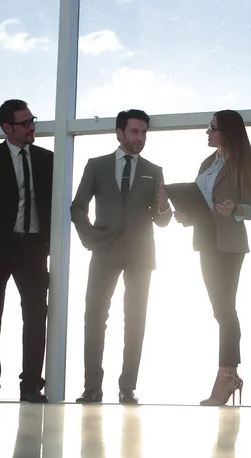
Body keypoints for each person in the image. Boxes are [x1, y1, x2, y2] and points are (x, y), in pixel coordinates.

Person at [71, 109, 171, 405]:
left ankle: (128, 387)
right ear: (120, 133)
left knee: (135, 321)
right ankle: (92, 388)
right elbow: (78, 207)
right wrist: (90, 239)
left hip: (140, 255)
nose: (140, 138)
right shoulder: (97, 166)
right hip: (104, 250)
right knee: (94, 318)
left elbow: (162, 220)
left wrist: (165, 207)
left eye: (144, 133)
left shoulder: (154, 170)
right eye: (135, 132)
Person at [174, 109, 251, 406]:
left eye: (211, 127)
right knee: (219, 310)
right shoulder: (207, 163)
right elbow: (200, 204)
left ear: (226, 131)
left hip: (230, 245)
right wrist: (184, 214)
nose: (207, 132)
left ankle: (226, 375)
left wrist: (235, 209)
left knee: (225, 309)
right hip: (205, 241)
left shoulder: (243, 164)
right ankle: (229, 375)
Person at [0, 99, 52, 404]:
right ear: (7, 128)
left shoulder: (48, 159)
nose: (32, 127)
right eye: (25, 123)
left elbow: (53, 205)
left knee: (35, 316)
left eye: (33, 120)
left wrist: (52, 247)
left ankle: (31, 386)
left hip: (31, 248)